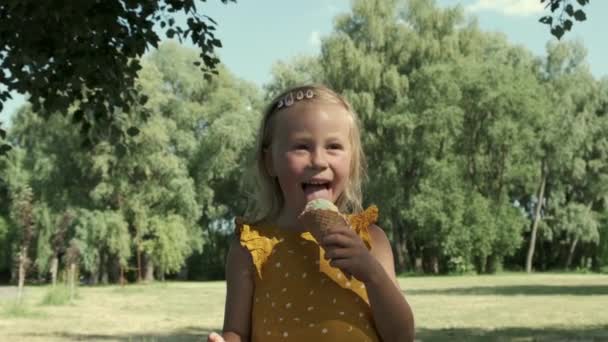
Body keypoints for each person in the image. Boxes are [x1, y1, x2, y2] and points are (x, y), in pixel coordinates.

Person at [207, 84, 414, 341]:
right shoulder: (250, 248)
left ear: (352, 161)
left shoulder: (371, 240)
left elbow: (401, 336)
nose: (318, 160)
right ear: (269, 161)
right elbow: (237, 331)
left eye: (334, 147)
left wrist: (371, 273)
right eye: (302, 146)